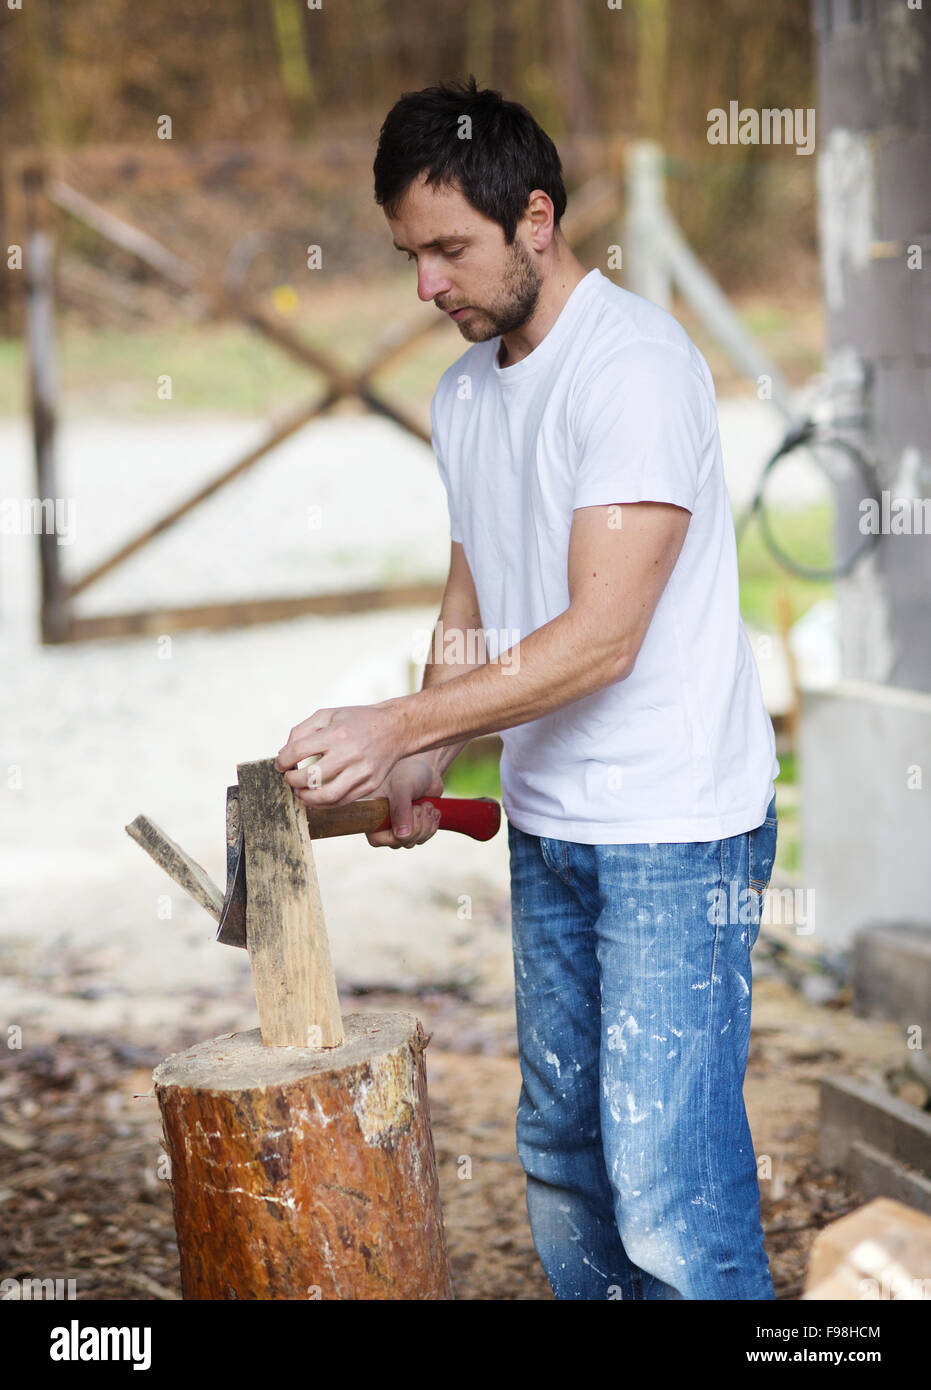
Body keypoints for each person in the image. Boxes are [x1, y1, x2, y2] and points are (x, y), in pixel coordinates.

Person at [275, 76, 780, 1300]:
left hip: (673, 826)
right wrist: (422, 756)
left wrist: (395, 720)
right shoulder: (463, 391)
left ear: (536, 220)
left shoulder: (635, 370)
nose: (426, 286)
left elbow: (602, 637)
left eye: (449, 250)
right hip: (553, 818)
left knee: (668, 1181)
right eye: (411, 254)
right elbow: (474, 583)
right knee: (563, 1149)